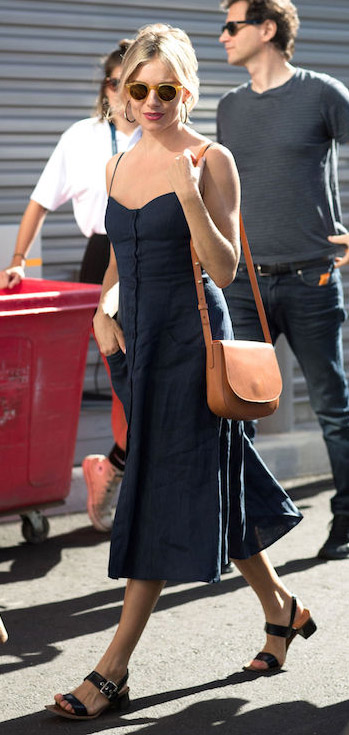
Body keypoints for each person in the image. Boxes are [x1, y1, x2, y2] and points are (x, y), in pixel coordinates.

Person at [45, 24, 316, 720]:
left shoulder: (210, 157)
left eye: (166, 88)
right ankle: (281, 609)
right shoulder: (112, 165)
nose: (152, 100)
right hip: (139, 351)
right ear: (123, 92)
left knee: (159, 493)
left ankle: (112, 668)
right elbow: (117, 264)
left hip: (195, 350)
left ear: (186, 90)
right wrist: (103, 310)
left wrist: (190, 195)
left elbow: (224, 269)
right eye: (139, 88)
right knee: (214, 483)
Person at [217, 0, 349, 561]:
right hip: (245, 286)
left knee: (333, 406)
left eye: (232, 24)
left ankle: (346, 519)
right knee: (232, 409)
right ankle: (241, 527)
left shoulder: (322, 93)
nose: (222, 35)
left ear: (266, 30)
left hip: (312, 281)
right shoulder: (227, 107)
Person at [0, 41, 141, 533]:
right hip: (105, 258)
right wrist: (17, 260)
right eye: (128, 82)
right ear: (108, 87)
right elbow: (39, 202)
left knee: (159, 376)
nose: (139, 93)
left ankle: (116, 468)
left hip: (157, 254)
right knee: (127, 381)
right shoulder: (82, 137)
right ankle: (124, 477)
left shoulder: (160, 131)